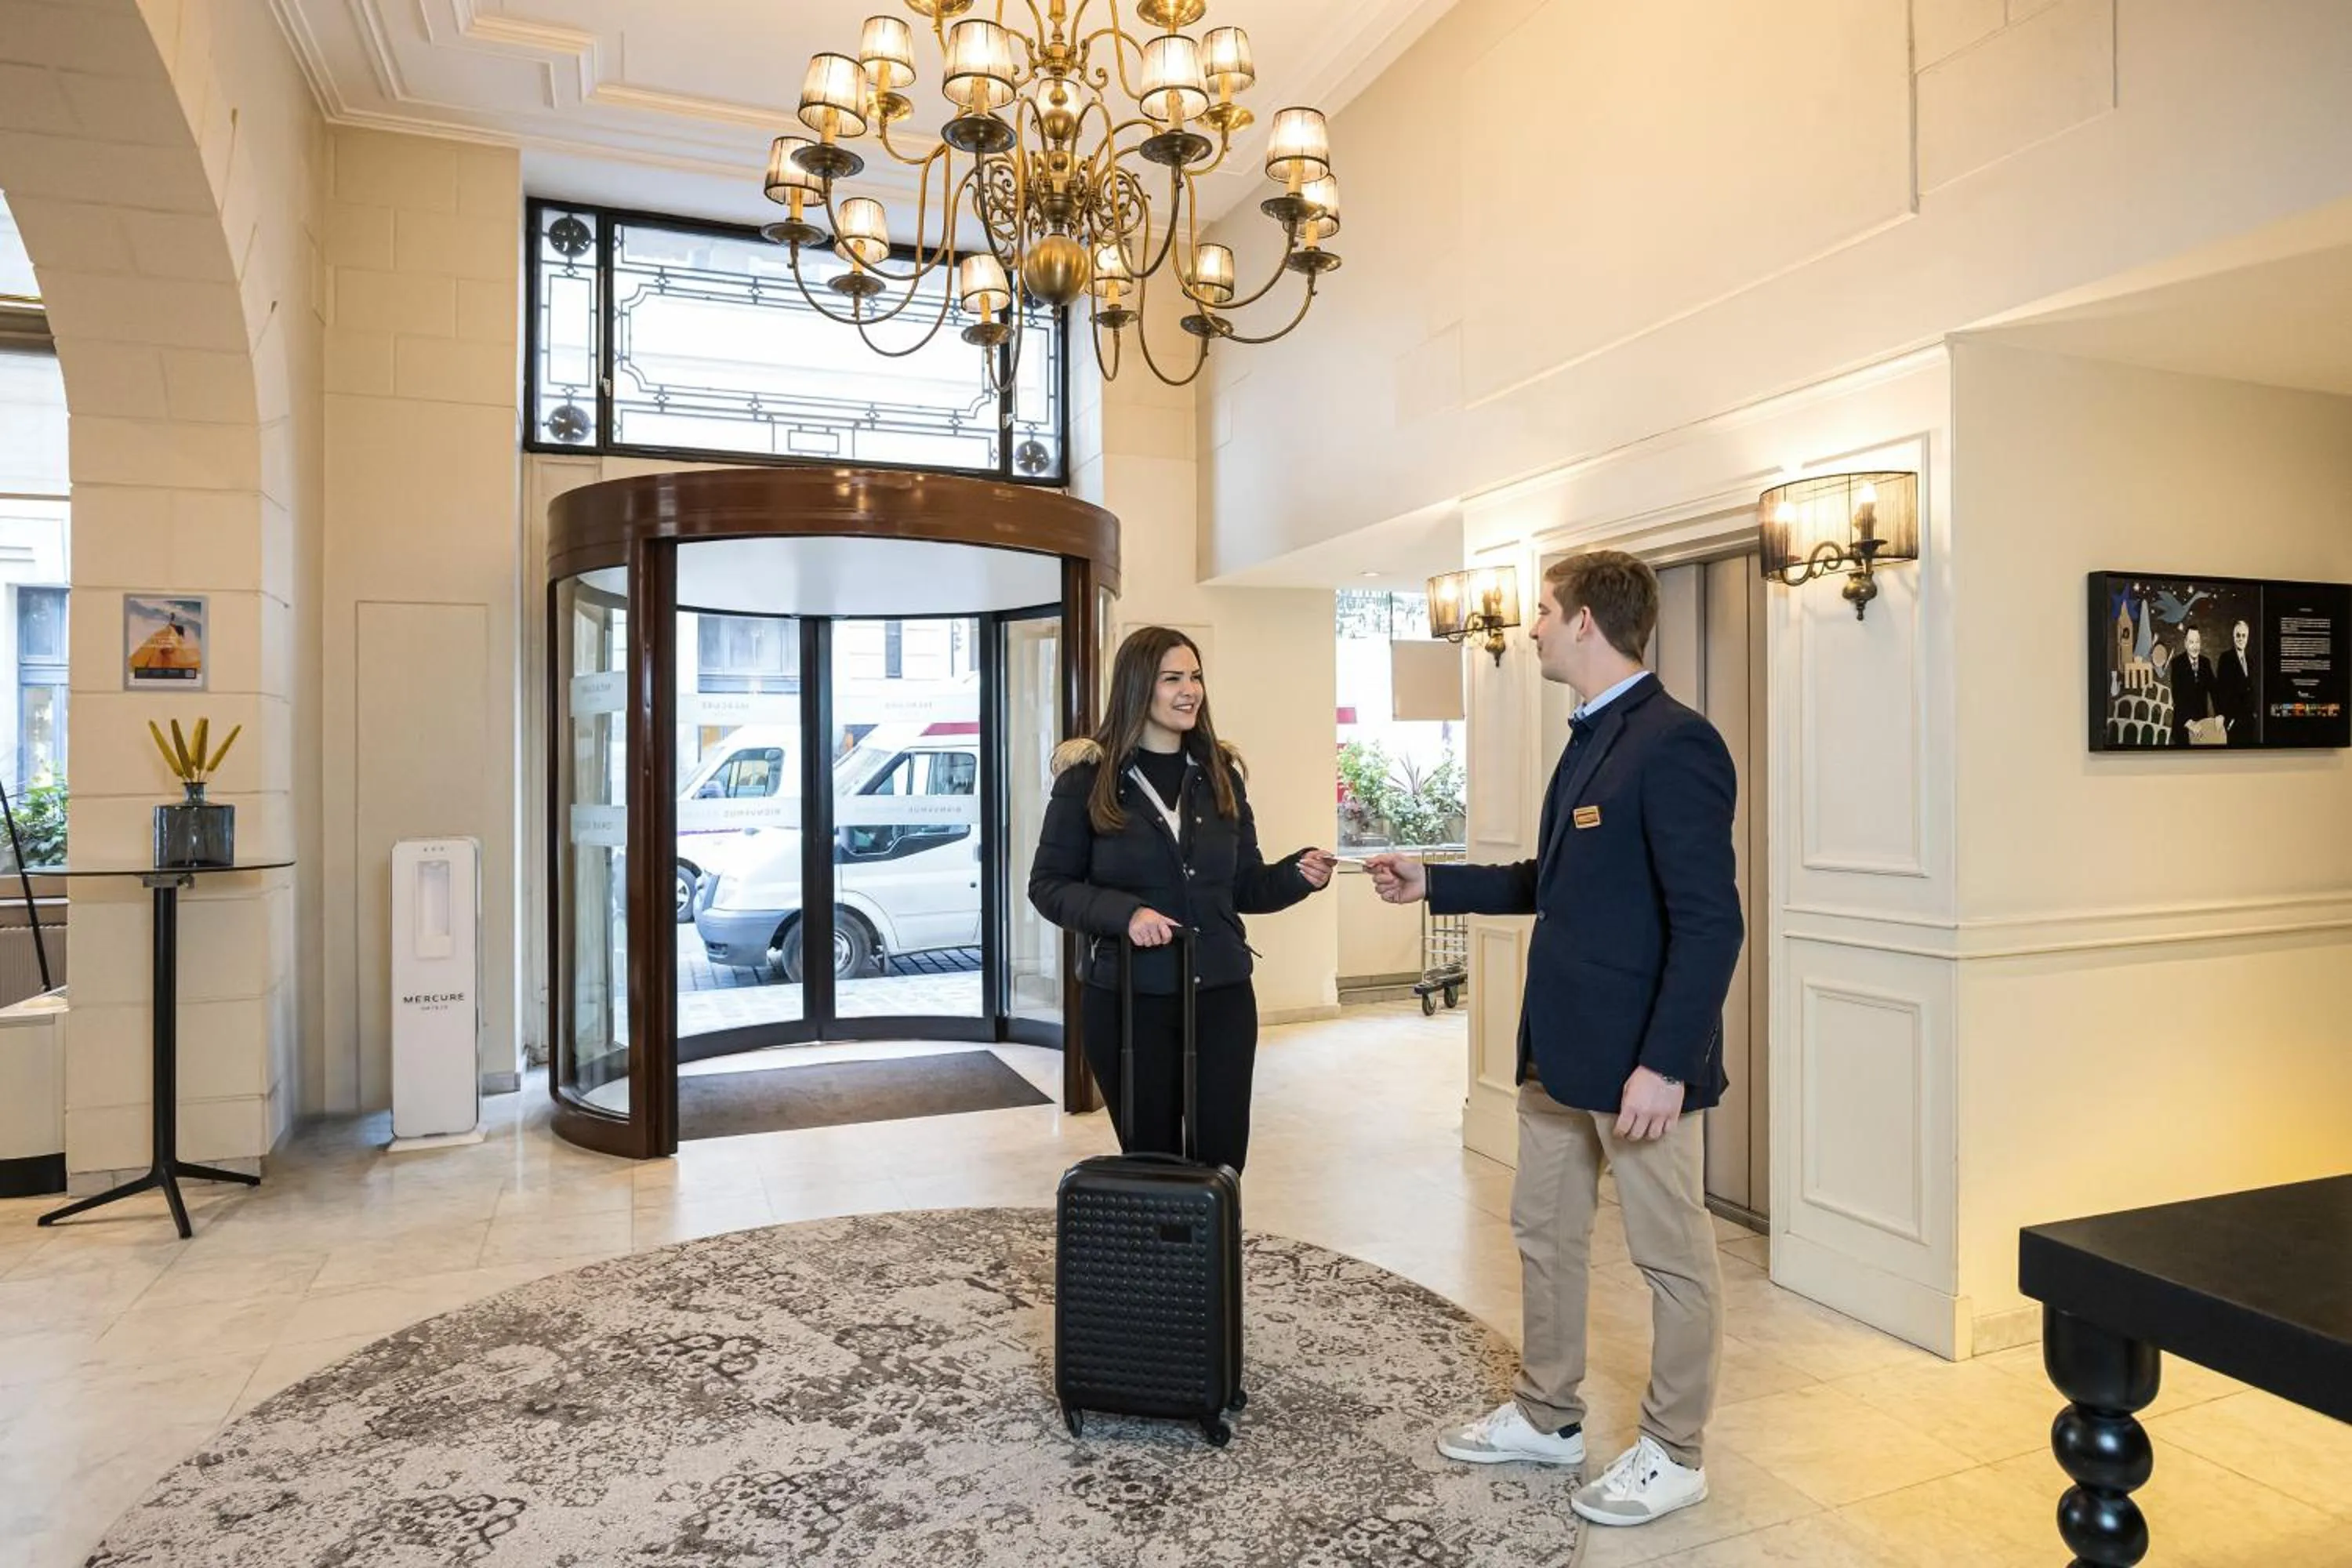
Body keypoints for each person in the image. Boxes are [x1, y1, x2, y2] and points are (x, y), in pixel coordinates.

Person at [1367, 550, 1742, 1530]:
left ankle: (1677, 1450)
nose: (1528, 627)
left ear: (1584, 622)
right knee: (1543, 1231)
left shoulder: (1677, 743)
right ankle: (1548, 1413)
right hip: (1560, 1054)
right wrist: (1434, 882)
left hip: (1640, 1070)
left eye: (1540, 611)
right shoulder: (1589, 738)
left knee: (1673, 1259)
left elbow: (1711, 924)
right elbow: (1555, 876)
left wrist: (1665, 1062)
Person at [1029, 626, 1335, 1174]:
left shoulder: (1221, 775)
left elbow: (1243, 887)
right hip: (1129, 1001)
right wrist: (1127, 915)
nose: (1189, 690)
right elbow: (1048, 885)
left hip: (1221, 997)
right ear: (1138, 687)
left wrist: (1298, 875)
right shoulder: (1088, 779)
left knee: (1222, 1163)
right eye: (1172, 678)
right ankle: (1160, 1263)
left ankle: (1212, 1262)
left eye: (1194, 677)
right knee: (1155, 1166)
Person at [2172, 626, 2217, 746]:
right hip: (2183, 725)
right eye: (2191, 642)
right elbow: (2177, 696)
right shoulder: (2177, 663)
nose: (2195, 646)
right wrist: (2190, 723)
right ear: (2185, 643)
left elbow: (2215, 691)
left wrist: (2220, 714)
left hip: (2202, 726)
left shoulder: (2205, 663)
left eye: (2197, 642)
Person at [2214, 619, 2256, 746]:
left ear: (2248, 637)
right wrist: (2226, 717)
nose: (2241, 638)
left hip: (2249, 722)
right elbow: (2220, 690)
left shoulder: (2250, 660)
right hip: (2233, 722)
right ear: (2233, 636)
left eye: (2244, 635)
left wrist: (2255, 715)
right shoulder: (2226, 658)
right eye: (2238, 635)